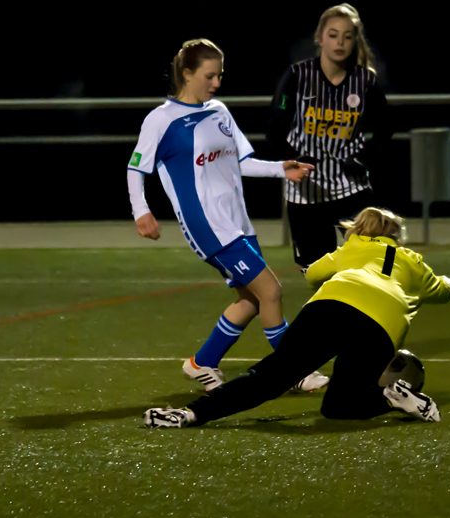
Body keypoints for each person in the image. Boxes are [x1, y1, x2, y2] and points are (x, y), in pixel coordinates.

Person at [142, 207, 450, 428]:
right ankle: (392, 396)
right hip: (380, 325)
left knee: (268, 377)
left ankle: (190, 415)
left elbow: (314, 275)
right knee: (341, 406)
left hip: (330, 306)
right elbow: (442, 290)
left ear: (359, 230)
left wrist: (317, 267)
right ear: (397, 236)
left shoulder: (350, 249)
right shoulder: (413, 262)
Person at [127, 38, 328, 393]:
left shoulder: (219, 110)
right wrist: (141, 210)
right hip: (208, 225)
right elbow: (135, 169)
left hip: (237, 222)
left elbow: (242, 162)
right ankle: (293, 370)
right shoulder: (161, 120)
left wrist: (282, 169)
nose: (217, 83)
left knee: (251, 301)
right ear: (186, 74)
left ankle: (201, 363)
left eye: (219, 75)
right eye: (209, 76)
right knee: (271, 291)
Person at [267, 3, 394, 271]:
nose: (340, 42)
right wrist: (293, 158)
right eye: (333, 34)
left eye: (348, 36)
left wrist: (363, 158)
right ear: (320, 38)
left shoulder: (365, 81)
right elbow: (274, 127)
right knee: (316, 273)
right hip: (305, 192)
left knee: (378, 263)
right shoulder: (298, 76)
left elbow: (385, 128)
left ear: (355, 40)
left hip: (351, 186)